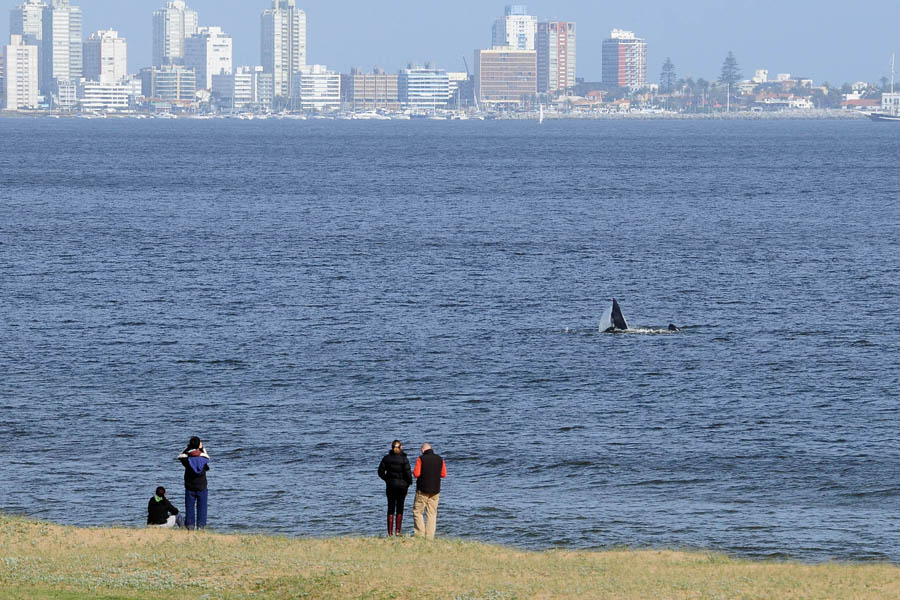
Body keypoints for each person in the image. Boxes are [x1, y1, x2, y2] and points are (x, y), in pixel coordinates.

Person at [378, 439, 413, 537]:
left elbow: (380, 472)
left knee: (390, 508)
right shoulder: (404, 459)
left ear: (392, 447)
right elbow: (408, 474)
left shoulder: (386, 458)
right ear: (401, 447)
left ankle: (390, 533)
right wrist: (409, 483)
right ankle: (398, 532)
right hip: (402, 486)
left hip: (390, 486)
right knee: (400, 507)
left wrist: (387, 479)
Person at [412, 443, 446, 539]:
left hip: (422, 489)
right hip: (435, 490)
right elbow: (443, 474)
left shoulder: (421, 459)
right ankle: (430, 537)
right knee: (432, 513)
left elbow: (416, 474)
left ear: (423, 450)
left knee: (418, 512)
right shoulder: (440, 459)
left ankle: (420, 534)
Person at [177, 436, 210, 530]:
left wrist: (187, 448)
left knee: (189, 508)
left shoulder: (187, 460)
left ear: (190, 445)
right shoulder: (203, 459)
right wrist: (202, 448)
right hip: (202, 486)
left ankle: (190, 527)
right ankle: (201, 527)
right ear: (199, 445)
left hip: (190, 486)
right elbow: (207, 456)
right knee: (202, 508)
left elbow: (180, 456)